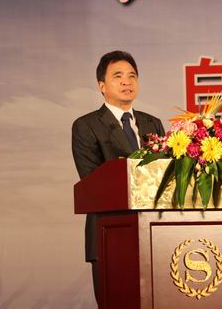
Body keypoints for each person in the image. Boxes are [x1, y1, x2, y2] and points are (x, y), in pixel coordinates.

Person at [71, 50, 165, 306]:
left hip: (155, 233)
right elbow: (92, 181)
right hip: (110, 234)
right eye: (118, 76)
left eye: (132, 76)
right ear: (102, 85)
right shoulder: (86, 125)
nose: (127, 81)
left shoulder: (152, 124)